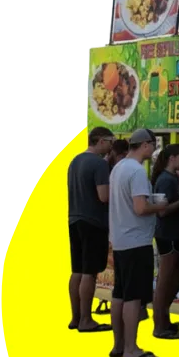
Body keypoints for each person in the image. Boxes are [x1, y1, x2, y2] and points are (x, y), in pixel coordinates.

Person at [108, 129, 166, 357]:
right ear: (145, 145)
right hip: (136, 240)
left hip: (120, 238)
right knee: (132, 296)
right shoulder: (137, 171)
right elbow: (140, 208)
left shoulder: (118, 168)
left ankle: (119, 344)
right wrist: (159, 207)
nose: (153, 150)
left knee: (119, 293)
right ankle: (131, 349)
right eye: (153, 144)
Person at [68, 127, 114, 332]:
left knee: (77, 270)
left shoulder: (75, 161)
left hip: (74, 219)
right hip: (94, 222)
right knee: (90, 272)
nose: (112, 146)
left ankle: (76, 317)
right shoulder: (99, 164)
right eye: (110, 141)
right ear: (101, 141)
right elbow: (104, 196)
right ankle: (87, 319)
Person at [151, 143, 179, 339]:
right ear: (172, 158)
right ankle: (159, 326)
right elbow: (162, 211)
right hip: (168, 235)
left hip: (177, 234)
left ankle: (165, 319)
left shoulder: (173, 178)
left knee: (174, 278)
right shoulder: (166, 180)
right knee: (165, 280)